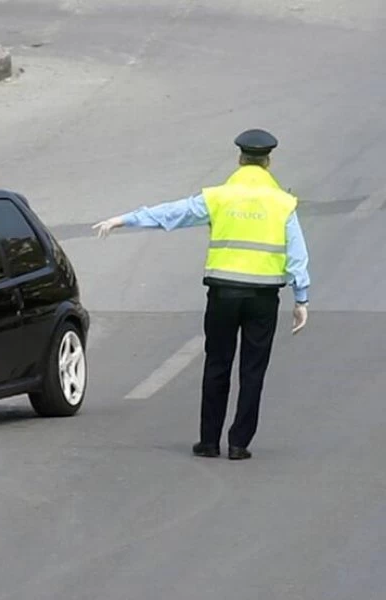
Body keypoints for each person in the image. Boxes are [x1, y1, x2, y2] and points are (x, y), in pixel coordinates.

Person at [91, 128, 311, 460]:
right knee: (253, 370)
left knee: (217, 364)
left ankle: (209, 441)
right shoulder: (283, 203)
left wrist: (125, 219)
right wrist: (302, 298)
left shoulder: (218, 197)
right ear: (268, 162)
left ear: (240, 159)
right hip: (263, 299)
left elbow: (172, 213)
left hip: (222, 296)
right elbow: (297, 254)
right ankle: (239, 443)